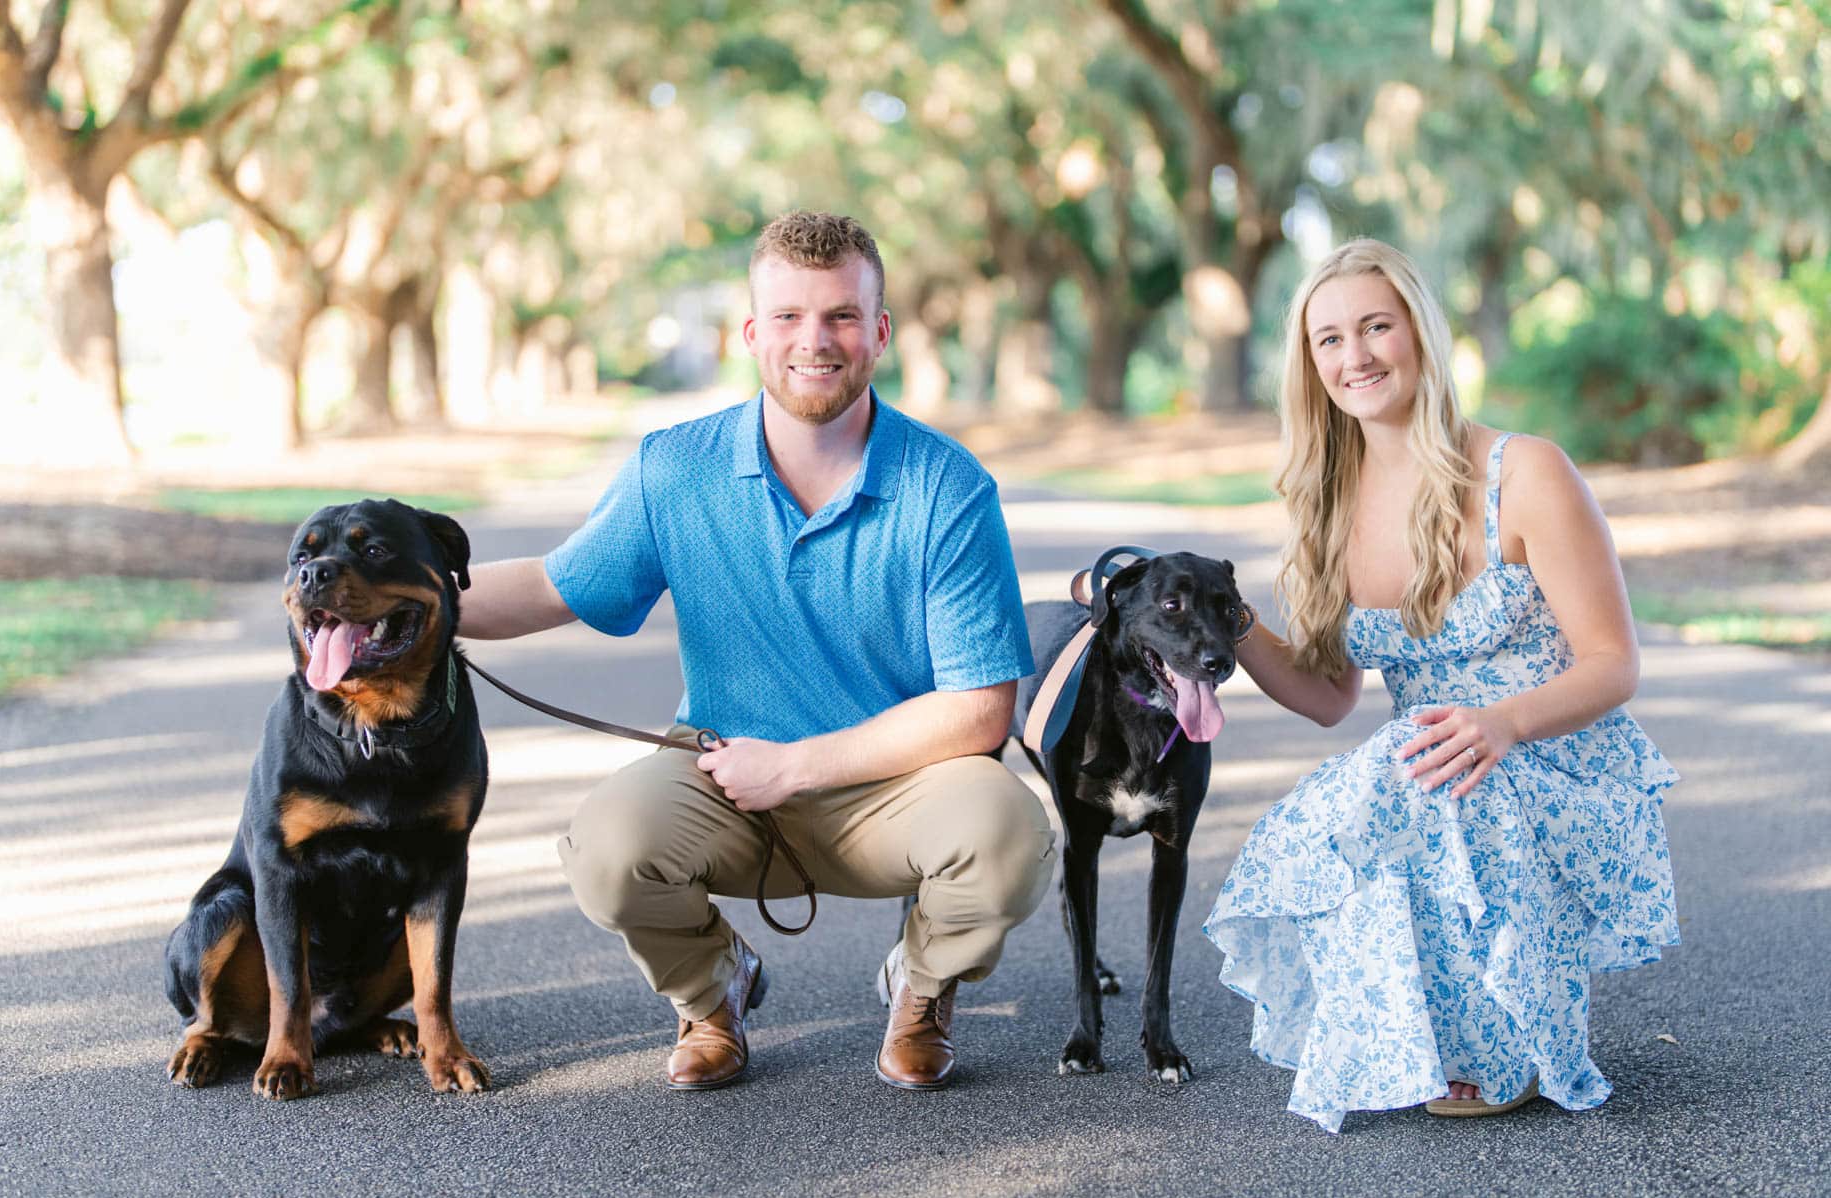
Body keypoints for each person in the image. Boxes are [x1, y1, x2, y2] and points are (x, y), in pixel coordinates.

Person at [458, 211, 1056, 1092]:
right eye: (788, 317)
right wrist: (398, 606)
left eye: (842, 317)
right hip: (725, 780)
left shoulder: (947, 485)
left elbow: (980, 709)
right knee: (608, 846)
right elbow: (554, 586)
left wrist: (800, 765)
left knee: (1009, 835)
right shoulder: (675, 468)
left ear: (879, 332)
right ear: (751, 333)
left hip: (899, 788)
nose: (815, 341)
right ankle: (712, 991)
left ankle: (921, 987)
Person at [1202, 238, 1679, 1133]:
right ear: (1310, 365)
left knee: (1453, 777)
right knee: (1360, 801)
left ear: (1421, 333)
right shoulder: (1328, 503)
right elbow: (1329, 695)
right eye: (1330, 340)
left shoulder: (1526, 472)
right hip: (1437, 761)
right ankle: (1425, 1027)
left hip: (1557, 754)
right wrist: (1218, 616)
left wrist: (1502, 723)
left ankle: (1506, 1039)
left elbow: (1615, 663)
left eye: (1377, 327)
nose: (1356, 357)